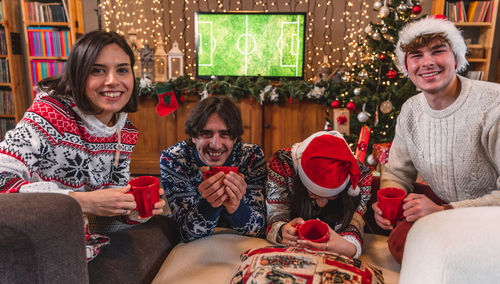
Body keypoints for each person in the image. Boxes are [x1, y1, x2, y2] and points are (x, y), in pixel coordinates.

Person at [0, 30, 166, 261]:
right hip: (33, 245)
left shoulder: (124, 133)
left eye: (122, 69)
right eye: (97, 70)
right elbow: (2, 180)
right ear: (78, 75)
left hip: (79, 240)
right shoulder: (50, 114)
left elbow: (103, 219)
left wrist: (132, 213)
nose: (113, 81)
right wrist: (82, 202)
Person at [372, 16, 500, 263]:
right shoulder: (411, 110)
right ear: (407, 66)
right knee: (401, 244)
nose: (427, 63)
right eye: (416, 55)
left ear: (456, 57)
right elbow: (397, 173)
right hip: (447, 208)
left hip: (490, 216)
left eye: (438, 51)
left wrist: (446, 211)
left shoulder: (493, 105)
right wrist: (391, 200)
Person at [160, 96, 267, 242]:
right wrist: (211, 204)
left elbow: (260, 229)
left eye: (225, 134)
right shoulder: (174, 159)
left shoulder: (251, 156)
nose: (216, 145)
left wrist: (236, 207)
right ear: (193, 136)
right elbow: (187, 233)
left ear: (235, 138)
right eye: (206, 133)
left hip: (238, 240)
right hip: (198, 245)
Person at [266, 131, 372, 258]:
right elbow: (276, 213)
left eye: (332, 196)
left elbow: (355, 220)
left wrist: (350, 247)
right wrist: (282, 230)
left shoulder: (359, 176)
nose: (321, 204)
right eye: (314, 195)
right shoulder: (283, 164)